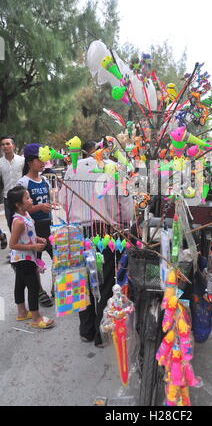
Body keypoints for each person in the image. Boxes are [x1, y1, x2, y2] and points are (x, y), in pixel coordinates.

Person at [59, 140, 135, 347]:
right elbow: (126, 208)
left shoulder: (71, 170)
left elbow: (63, 200)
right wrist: (123, 223)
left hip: (77, 232)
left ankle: (86, 330)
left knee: (82, 280)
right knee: (104, 281)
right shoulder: (113, 170)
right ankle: (102, 333)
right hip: (104, 233)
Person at [7, 185, 54, 329]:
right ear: (18, 204)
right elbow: (13, 244)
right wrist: (33, 247)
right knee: (33, 287)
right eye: (27, 198)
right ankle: (36, 317)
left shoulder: (26, 215)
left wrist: (38, 239)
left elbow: (28, 235)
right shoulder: (18, 222)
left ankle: (21, 312)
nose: (31, 200)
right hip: (23, 260)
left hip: (23, 258)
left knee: (20, 284)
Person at [17, 143, 53, 307]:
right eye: (40, 159)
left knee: (57, 257)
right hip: (33, 228)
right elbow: (20, 210)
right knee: (34, 261)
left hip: (49, 225)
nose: (44, 162)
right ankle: (39, 290)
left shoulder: (45, 180)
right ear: (30, 161)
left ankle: (56, 287)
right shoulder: (23, 183)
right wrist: (38, 207)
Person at [0, 136, 25, 230]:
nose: (5, 146)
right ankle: (15, 243)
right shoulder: (0, 163)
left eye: (7, 144)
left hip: (21, 196)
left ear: (13, 146)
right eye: (2, 144)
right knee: (10, 222)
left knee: (24, 221)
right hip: (7, 197)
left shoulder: (22, 161)